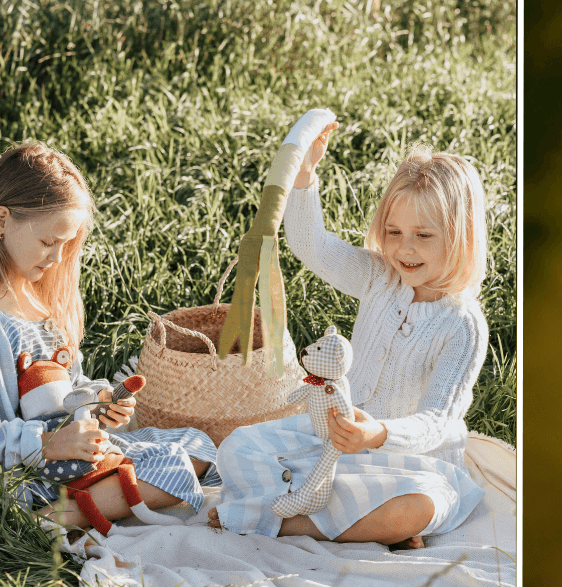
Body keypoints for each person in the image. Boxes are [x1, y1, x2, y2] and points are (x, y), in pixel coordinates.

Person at [209, 113, 488, 549]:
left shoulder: (462, 326)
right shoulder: (380, 277)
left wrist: (378, 434)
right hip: (335, 439)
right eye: (393, 232)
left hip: (410, 462)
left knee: (415, 509)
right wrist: (304, 176)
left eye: (423, 236)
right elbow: (312, 246)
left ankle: (287, 523)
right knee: (237, 446)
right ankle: (328, 513)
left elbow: (437, 420)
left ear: (461, 238)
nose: (404, 249)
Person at [0, 143, 219, 532]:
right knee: (174, 467)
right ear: (1, 220)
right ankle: (53, 520)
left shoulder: (40, 302)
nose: (58, 258)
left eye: (67, 244)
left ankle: (90, 498)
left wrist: (98, 402)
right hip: (14, 473)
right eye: (48, 242)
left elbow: (67, 390)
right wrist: (45, 444)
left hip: (66, 458)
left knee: (199, 444)